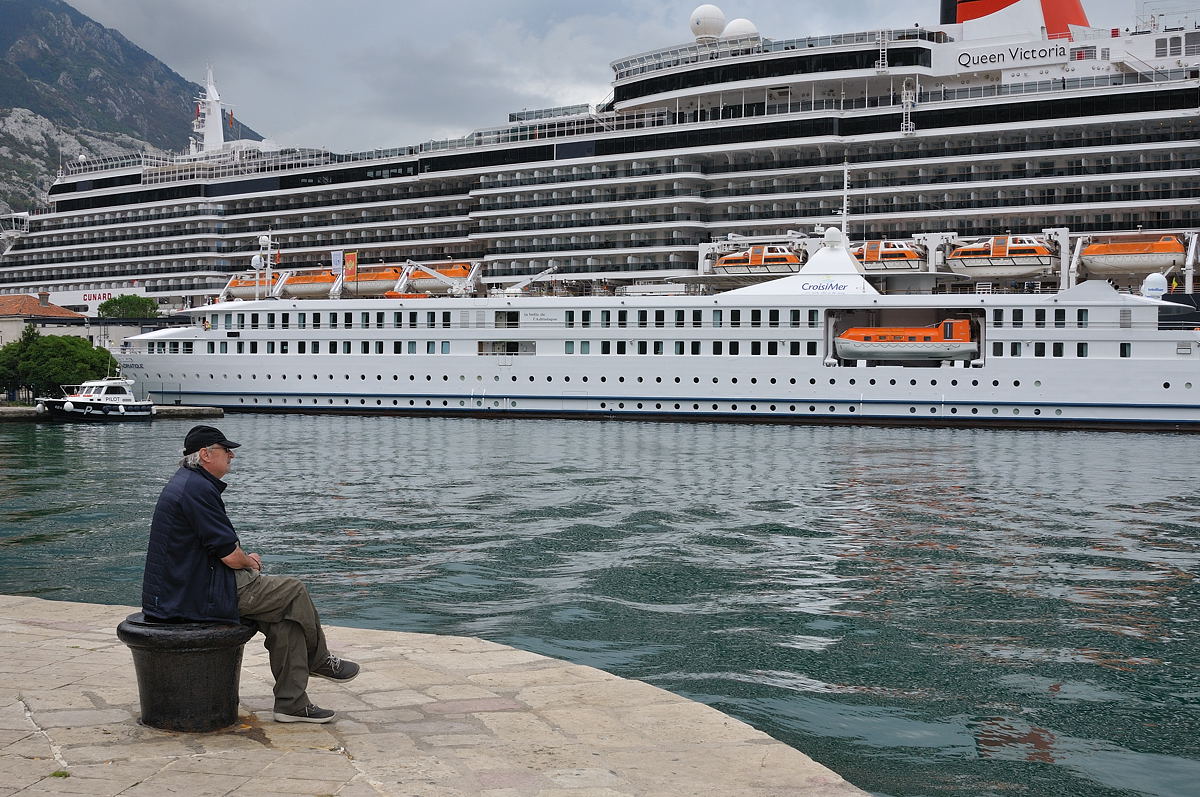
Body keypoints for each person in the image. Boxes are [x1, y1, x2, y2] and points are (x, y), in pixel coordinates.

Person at [141, 424, 360, 724]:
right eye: (225, 450)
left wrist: (242, 558)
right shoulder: (198, 490)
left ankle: (291, 704)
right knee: (293, 590)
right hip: (192, 594)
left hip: (182, 588)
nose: (231, 455)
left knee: (287, 620)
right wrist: (250, 562)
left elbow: (219, 547)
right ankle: (319, 660)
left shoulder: (188, 483)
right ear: (205, 454)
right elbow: (231, 557)